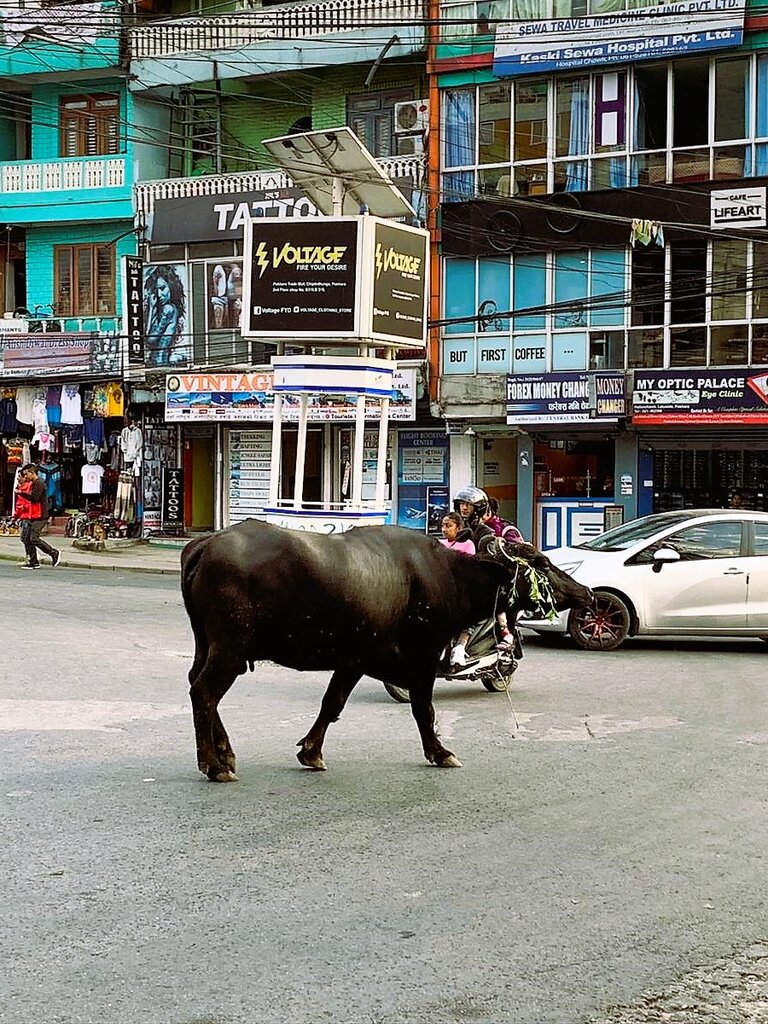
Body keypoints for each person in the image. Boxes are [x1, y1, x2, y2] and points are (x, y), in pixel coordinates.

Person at [450, 486, 516, 666]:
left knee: (471, 610)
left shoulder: (489, 531)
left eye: (468, 505)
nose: (464, 508)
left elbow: (503, 556)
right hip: (458, 581)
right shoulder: (460, 528)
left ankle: (461, 647)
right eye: (461, 504)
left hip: (485, 583)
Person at [14, 464, 61, 569]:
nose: (25, 477)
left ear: (32, 473)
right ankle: (33, 561)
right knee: (27, 539)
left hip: (41, 516)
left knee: (34, 538)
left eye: (26, 475)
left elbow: (35, 498)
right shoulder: (34, 483)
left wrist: (21, 493)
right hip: (33, 515)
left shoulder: (40, 484)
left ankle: (53, 552)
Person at [144, 265, 186, 367]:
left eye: (162, 288)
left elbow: (150, 339)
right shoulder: (165, 309)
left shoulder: (168, 309)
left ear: (171, 287)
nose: (159, 294)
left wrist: (151, 309)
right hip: (160, 361)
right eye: (156, 290)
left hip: (160, 361)